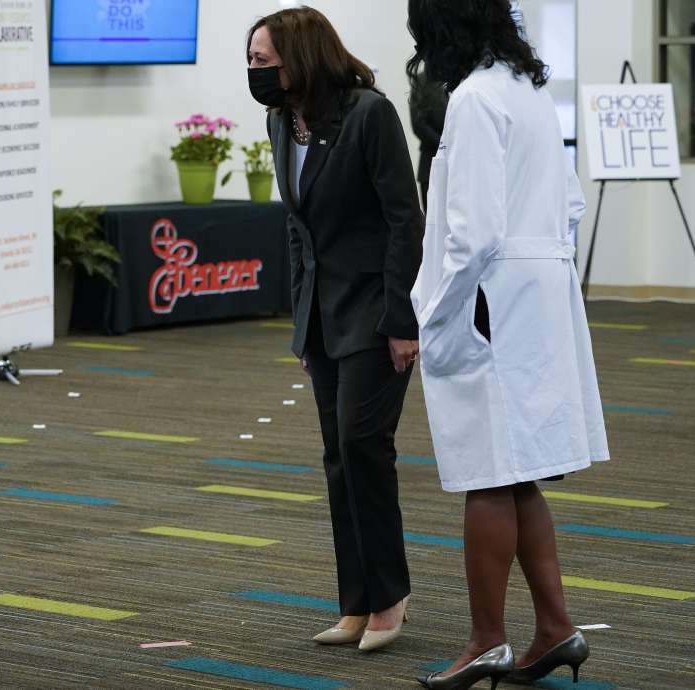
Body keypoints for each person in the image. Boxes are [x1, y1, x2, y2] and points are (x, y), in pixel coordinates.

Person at [407, 1, 609, 687]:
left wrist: (435, 314)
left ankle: (486, 641)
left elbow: (473, 233)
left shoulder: (471, 99)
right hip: (538, 297)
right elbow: (573, 206)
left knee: (486, 473)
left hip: (488, 302)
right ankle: (555, 628)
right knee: (519, 470)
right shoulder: (528, 93)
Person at [246, 7, 423, 653]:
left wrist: (401, 319)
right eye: (252, 61)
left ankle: (388, 598)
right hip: (321, 318)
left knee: (363, 448)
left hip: (376, 312)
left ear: (301, 56)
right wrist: (301, 327)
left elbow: (404, 220)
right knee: (337, 461)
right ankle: (356, 600)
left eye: (264, 61)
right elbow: (299, 231)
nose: (255, 72)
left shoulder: (368, 113)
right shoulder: (279, 120)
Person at [408, 69, 447, 209]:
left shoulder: (466, 75)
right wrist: (446, 146)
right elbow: (418, 123)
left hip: (463, 163)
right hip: (430, 161)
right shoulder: (421, 79)